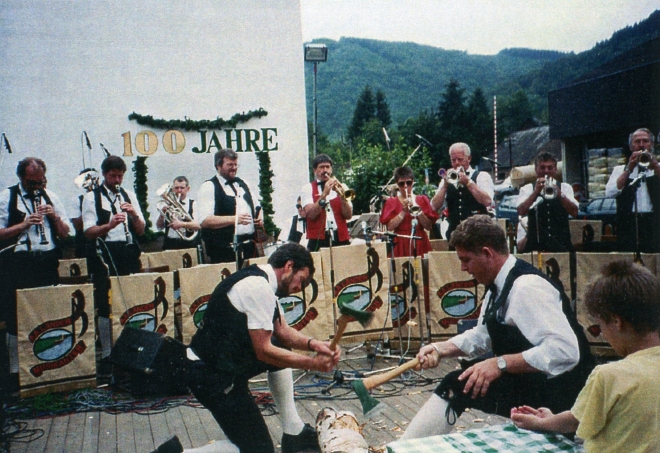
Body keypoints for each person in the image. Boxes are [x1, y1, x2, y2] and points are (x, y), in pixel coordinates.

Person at [401, 215, 594, 440]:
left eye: (466, 260)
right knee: (459, 383)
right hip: (535, 383)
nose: (463, 268)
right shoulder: (498, 283)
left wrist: (499, 364)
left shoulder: (526, 288)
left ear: (487, 253)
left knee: (458, 383)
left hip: (563, 398)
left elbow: (566, 351)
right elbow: (483, 335)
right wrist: (439, 348)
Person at [185, 242, 340, 453]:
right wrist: (313, 363)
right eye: (300, 280)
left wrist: (314, 344)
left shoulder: (264, 283)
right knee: (259, 450)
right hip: (211, 377)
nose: (297, 289)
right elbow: (264, 351)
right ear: (288, 266)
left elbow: (282, 332)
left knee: (280, 346)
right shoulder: (257, 288)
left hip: (224, 366)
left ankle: (293, 432)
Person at [511, 260, 660, 453]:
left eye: (600, 327)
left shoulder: (609, 375)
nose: (604, 335)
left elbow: (575, 421)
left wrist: (542, 423)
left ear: (616, 322)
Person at [0, 158, 72, 395]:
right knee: (15, 318)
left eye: (40, 182)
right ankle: (14, 372)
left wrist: (54, 217)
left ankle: (49, 365)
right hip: (18, 263)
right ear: (21, 178)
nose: (37, 187)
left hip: (46, 262)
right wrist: (23, 225)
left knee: (48, 315)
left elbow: (65, 234)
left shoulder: (50, 195)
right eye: (32, 183)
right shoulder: (6, 197)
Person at [82, 155, 146, 361]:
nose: (117, 181)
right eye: (112, 176)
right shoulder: (92, 197)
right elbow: (88, 231)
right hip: (104, 252)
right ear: (104, 174)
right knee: (105, 301)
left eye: (120, 177)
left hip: (127, 250)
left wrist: (134, 214)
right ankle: (108, 351)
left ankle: (131, 346)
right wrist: (110, 225)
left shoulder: (128, 194)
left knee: (131, 299)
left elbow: (142, 229)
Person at [197, 149, 263, 265]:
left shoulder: (244, 184)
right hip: (223, 251)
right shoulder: (209, 187)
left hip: (249, 248)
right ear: (218, 165)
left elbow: (258, 207)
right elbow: (205, 221)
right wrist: (235, 219)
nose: (234, 168)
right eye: (229, 165)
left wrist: (259, 219)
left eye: (235, 164)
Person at [605, 128, 660, 253]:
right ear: (631, 147)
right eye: (637, 141)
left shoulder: (658, 167)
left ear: (651, 145)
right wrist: (629, 169)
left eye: (645, 141)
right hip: (629, 223)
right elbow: (610, 193)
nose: (641, 145)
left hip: (654, 222)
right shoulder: (620, 169)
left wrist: (655, 166)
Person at [430, 143, 493, 241]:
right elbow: (434, 206)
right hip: (455, 234)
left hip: (479, 233)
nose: (457, 163)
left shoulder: (481, 176)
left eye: (460, 159)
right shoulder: (446, 180)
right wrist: (445, 185)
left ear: (469, 158)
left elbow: (487, 201)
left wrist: (468, 182)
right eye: (453, 160)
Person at [516, 152, 578, 252]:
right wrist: (536, 192)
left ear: (555, 170)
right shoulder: (527, 189)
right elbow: (521, 211)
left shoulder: (565, 187)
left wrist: (560, 194)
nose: (546, 171)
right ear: (536, 169)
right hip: (535, 245)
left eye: (550, 168)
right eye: (542, 167)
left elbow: (574, 212)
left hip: (561, 244)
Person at [379, 166, 439, 257]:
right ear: (397, 184)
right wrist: (403, 212)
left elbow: (428, 226)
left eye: (409, 182)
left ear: (413, 182)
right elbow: (390, 227)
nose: (405, 186)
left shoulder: (422, 199)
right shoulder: (391, 202)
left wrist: (418, 211)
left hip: (420, 240)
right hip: (400, 240)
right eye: (401, 184)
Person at [301, 154, 352, 251]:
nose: (325, 170)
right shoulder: (307, 188)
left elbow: (348, 215)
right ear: (315, 170)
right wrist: (324, 194)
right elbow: (311, 214)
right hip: (318, 239)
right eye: (321, 167)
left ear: (331, 169)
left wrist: (342, 197)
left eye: (327, 167)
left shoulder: (343, 186)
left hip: (340, 237)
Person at [156, 176, 201, 250]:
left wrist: (181, 224)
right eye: (176, 188)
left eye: (182, 188)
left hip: (188, 244)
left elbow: (199, 225)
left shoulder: (194, 204)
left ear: (188, 189)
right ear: (173, 189)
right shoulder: (167, 205)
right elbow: (159, 227)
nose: (179, 190)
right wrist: (162, 215)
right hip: (170, 244)